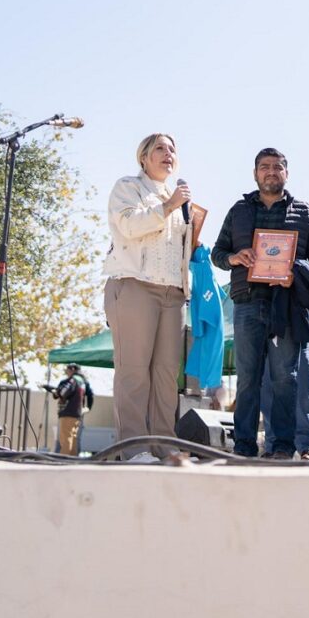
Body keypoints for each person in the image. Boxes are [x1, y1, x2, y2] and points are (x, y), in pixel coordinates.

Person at [211, 147, 309, 459]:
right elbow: (217, 253)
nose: (271, 172)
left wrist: (298, 271)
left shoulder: (303, 211)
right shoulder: (238, 210)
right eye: (265, 167)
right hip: (247, 303)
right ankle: (244, 447)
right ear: (255, 173)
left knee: (285, 379)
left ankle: (283, 447)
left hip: (287, 305)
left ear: (286, 173)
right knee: (247, 379)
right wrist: (235, 257)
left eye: (277, 167)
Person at [103, 133, 194, 456]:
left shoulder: (179, 198)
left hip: (173, 293)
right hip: (134, 285)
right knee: (134, 371)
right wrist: (169, 206)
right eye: (160, 148)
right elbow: (128, 226)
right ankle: (134, 449)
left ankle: (164, 447)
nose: (168, 153)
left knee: (167, 375)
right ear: (143, 157)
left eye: (172, 149)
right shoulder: (128, 187)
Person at [51, 363, 92, 456]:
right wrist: (88, 407)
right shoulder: (82, 381)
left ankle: (64, 459)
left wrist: (56, 392)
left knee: (66, 438)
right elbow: (90, 395)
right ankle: (73, 460)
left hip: (68, 412)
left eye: (67, 369)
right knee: (73, 438)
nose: (66, 371)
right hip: (77, 413)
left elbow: (63, 392)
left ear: (73, 369)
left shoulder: (73, 380)